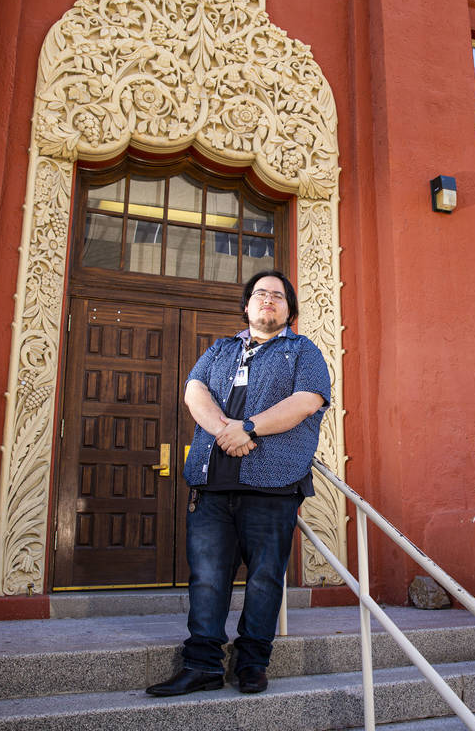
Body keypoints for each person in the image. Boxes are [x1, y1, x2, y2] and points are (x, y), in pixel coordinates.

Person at [146, 270, 330, 697]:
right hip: (211, 484)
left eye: (278, 296)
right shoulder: (220, 349)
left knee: (266, 579)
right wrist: (227, 432)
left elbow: (307, 401)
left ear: (289, 310)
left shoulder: (304, 351)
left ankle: (252, 664)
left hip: (273, 485)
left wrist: (249, 427)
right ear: (247, 305)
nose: (268, 301)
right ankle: (203, 665)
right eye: (260, 294)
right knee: (207, 578)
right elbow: (195, 392)